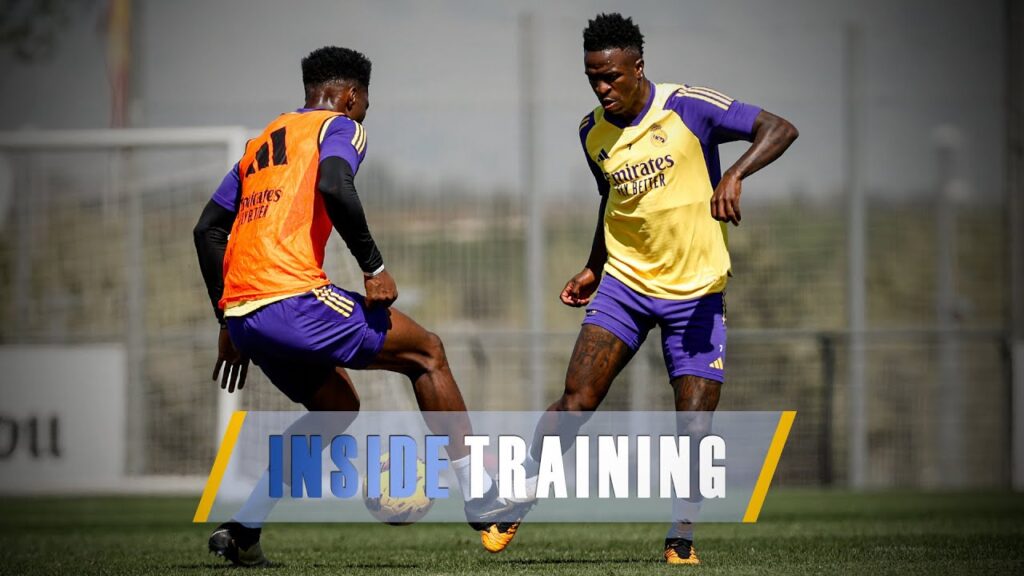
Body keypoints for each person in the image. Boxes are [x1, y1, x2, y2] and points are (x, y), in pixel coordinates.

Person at [192, 46, 522, 566]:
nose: (364, 113)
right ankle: (482, 498)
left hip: (248, 316)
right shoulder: (338, 126)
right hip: (293, 298)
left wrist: (226, 318)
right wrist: (373, 266)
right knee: (427, 353)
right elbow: (334, 183)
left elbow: (206, 228)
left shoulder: (261, 143)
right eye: (364, 103)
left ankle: (244, 527)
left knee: (336, 408)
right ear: (351, 95)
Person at [515, 13, 798, 565]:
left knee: (693, 423)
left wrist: (734, 173)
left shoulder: (689, 106)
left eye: (612, 77)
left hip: (696, 294)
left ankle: (680, 539)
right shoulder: (591, 132)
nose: (602, 88)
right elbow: (612, 202)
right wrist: (594, 265)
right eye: (592, 78)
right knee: (577, 399)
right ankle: (518, 497)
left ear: (638, 68)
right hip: (624, 285)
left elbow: (780, 128)